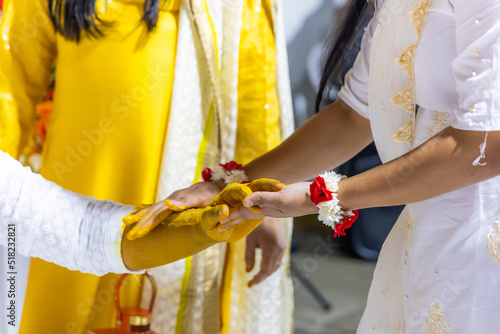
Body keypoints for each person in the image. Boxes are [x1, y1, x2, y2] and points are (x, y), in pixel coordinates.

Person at [164, 0, 500, 332]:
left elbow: (482, 147)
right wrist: (232, 184)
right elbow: (352, 115)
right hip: (432, 221)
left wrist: (321, 197)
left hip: (484, 229)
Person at [0, 0, 294, 332]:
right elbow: (10, 82)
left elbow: (251, 86)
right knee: (59, 304)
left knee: (151, 295)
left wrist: (259, 194)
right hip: (70, 187)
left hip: (177, 191)